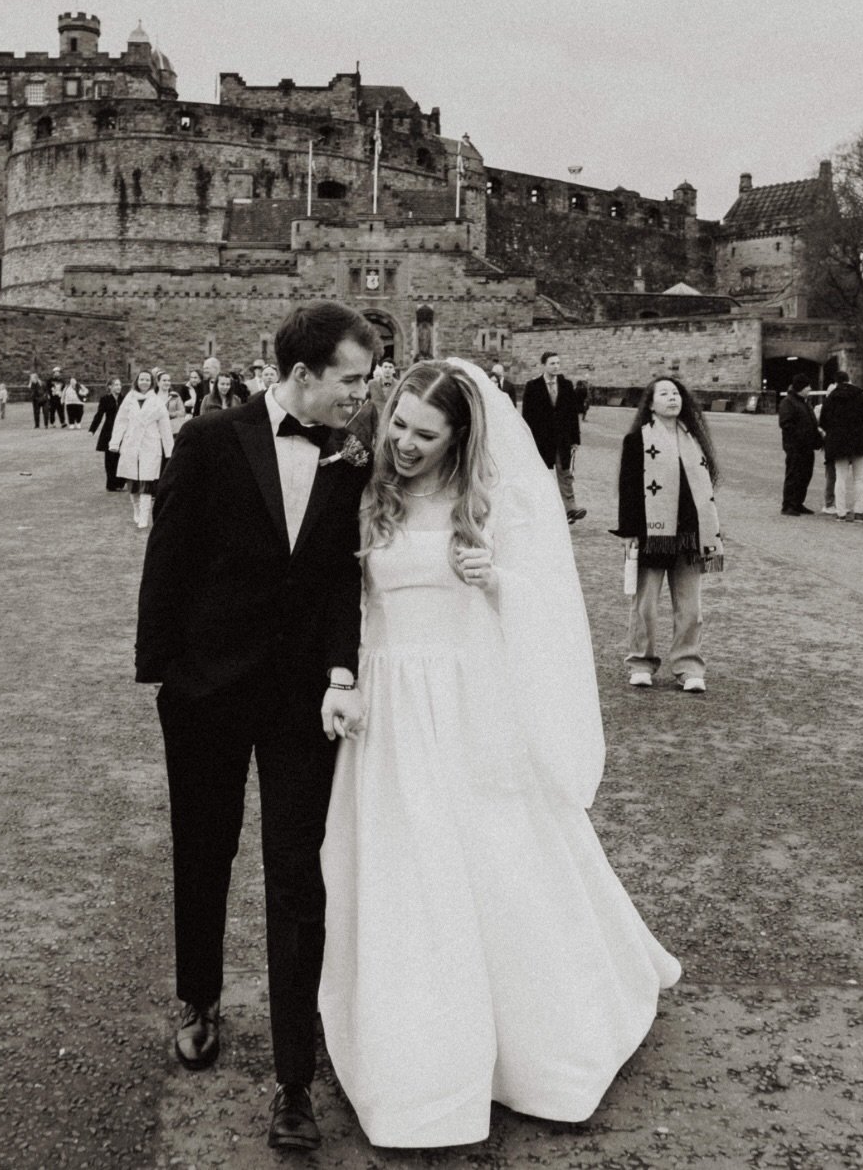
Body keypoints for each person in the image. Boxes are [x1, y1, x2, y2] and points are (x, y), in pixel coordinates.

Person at [319, 360, 680, 1148]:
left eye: (425, 433)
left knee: (497, 862)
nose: (405, 443)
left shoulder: (489, 498)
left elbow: (551, 606)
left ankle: (530, 1036)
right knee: (407, 871)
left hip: (466, 703)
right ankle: (417, 1042)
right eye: (399, 424)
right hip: (389, 708)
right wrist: (343, 679)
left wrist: (497, 581)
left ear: (459, 437)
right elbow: (342, 601)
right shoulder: (366, 490)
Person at [135, 302, 377, 1151]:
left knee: (297, 874)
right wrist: (165, 674)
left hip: (300, 700)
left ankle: (294, 1078)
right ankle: (199, 996)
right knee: (204, 848)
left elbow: (345, 580)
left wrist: (341, 672)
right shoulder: (208, 439)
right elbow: (168, 557)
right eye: (352, 378)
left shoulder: (353, 453)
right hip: (206, 689)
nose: (362, 393)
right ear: (303, 374)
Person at [613, 377, 723, 692]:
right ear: (651, 404)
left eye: (676, 393)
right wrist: (629, 532)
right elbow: (628, 489)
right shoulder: (637, 440)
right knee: (645, 604)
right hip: (652, 532)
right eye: (664, 393)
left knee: (690, 607)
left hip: (690, 532)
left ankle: (689, 667)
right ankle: (641, 662)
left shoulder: (695, 440)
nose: (672, 397)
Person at [521, 350, 586, 524]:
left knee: (565, 473)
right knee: (540, 474)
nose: (556, 366)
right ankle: (538, 508)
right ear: (543, 365)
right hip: (541, 440)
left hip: (562, 439)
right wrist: (527, 439)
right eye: (552, 363)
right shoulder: (533, 386)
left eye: (558, 363)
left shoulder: (566, 385)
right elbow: (527, 416)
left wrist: (575, 440)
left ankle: (570, 509)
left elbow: (572, 414)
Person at [109, 369, 173, 528]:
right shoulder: (129, 398)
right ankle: (136, 510)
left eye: (147, 380)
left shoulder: (156, 401)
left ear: (152, 383)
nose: (144, 382)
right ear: (137, 381)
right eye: (142, 379)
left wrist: (169, 449)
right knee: (132, 481)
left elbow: (165, 425)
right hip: (131, 444)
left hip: (150, 444)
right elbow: (121, 421)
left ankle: (144, 516)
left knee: (147, 480)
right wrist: (115, 442)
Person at [819, 371, 863, 522]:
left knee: (840, 478)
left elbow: (823, 421)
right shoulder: (860, 396)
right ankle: (859, 512)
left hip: (838, 443)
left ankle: (841, 512)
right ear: (849, 380)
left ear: (836, 382)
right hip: (860, 441)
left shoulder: (831, 398)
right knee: (859, 479)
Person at [778, 373, 823, 515]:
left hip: (807, 446)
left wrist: (816, 438)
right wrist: (801, 436)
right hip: (795, 446)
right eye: (807, 386)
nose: (810, 388)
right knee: (794, 475)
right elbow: (786, 424)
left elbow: (811, 422)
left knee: (805, 475)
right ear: (801, 387)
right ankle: (788, 505)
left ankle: (798, 502)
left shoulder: (804, 402)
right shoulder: (788, 402)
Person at [88, 377, 125, 491]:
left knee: (121, 457)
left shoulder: (124, 399)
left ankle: (120, 483)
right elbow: (99, 415)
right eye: (116, 385)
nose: (118, 387)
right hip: (109, 431)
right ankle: (111, 484)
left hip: (122, 430)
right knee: (110, 459)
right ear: (110, 387)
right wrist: (92, 430)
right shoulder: (105, 399)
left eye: (119, 385)